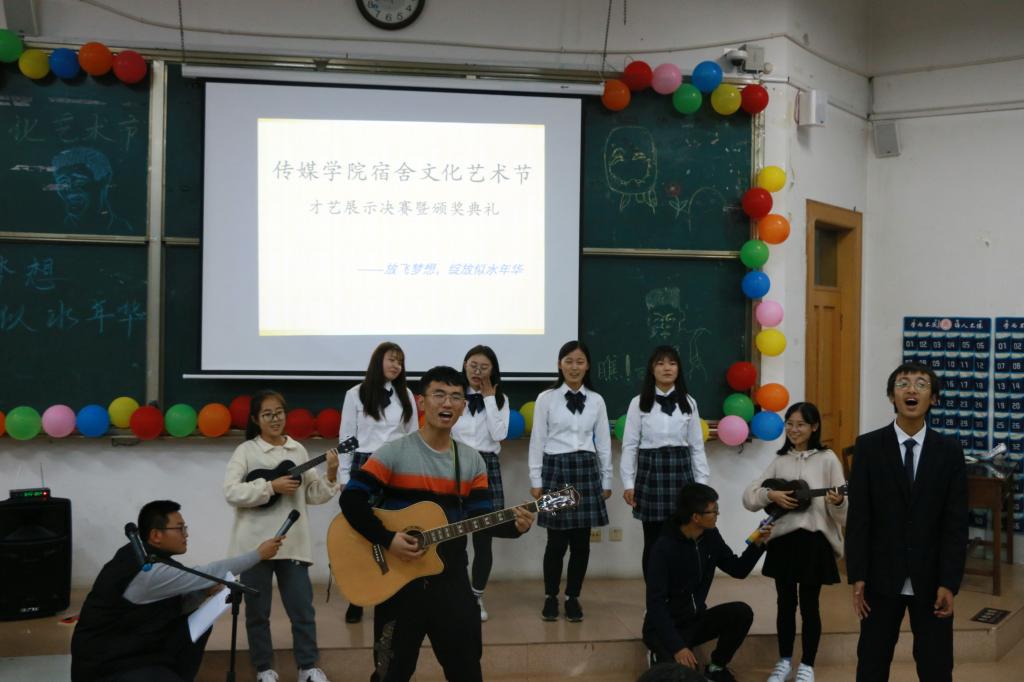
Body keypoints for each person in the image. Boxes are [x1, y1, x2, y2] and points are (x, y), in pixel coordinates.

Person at [339, 365, 535, 681]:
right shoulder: (393, 452)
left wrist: (515, 526)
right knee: (391, 673)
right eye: (439, 395)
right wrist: (387, 539)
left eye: (456, 397)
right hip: (398, 583)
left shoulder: (471, 460)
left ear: (462, 406)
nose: (447, 403)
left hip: (451, 581)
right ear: (421, 401)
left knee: (467, 671)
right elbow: (351, 500)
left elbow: (479, 518)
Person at [846, 362, 968, 682]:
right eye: (903, 384)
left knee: (936, 666)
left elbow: (955, 523)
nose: (912, 389)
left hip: (932, 578)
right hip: (880, 575)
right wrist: (858, 574)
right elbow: (859, 518)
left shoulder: (949, 450)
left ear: (934, 398)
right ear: (891, 396)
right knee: (872, 662)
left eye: (921, 384)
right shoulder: (868, 446)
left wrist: (949, 581)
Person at [70, 500, 284, 682]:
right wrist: (258, 554)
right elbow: (210, 572)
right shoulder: (147, 570)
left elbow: (164, 608)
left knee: (195, 627)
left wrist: (203, 594)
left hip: (130, 647)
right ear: (156, 535)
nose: (186, 534)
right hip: (104, 665)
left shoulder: (147, 556)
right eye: (180, 528)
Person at [224, 389, 340, 682]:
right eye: (268, 414)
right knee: (257, 613)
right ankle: (264, 669)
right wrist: (270, 487)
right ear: (255, 419)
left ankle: (308, 668)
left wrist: (330, 474)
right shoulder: (246, 451)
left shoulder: (298, 450)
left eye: (279, 413)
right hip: (255, 545)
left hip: (293, 542)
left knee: (302, 610)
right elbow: (231, 492)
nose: (275, 419)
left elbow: (312, 494)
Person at [742, 403, 847, 682]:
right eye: (789, 423)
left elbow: (845, 513)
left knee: (810, 605)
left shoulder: (828, 459)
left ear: (814, 427)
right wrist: (770, 495)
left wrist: (839, 502)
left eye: (800, 424)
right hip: (783, 541)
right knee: (785, 603)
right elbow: (749, 497)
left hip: (814, 541)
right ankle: (784, 661)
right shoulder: (780, 460)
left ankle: (807, 665)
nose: (793, 429)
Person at [643, 483, 770, 682]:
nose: (717, 515)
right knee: (681, 677)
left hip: (693, 620)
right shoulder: (663, 547)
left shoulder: (710, 536)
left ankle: (716, 667)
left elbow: (738, 569)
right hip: (664, 628)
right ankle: (658, 655)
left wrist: (758, 543)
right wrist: (678, 647)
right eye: (713, 511)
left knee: (741, 612)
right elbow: (655, 604)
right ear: (696, 517)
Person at [528, 339, 612, 623]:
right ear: (559, 364)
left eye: (580, 361)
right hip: (556, 469)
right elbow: (537, 440)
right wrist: (536, 478)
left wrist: (607, 479)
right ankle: (551, 597)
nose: (574, 367)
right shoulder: (546, 398)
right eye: (569, 361)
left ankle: (572, 597)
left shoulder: (597, 400)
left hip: (586, 469)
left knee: (581, 543)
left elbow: (603, 442)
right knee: (555, 542)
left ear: (587, 366)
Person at [338, 341, 418, 623]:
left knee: (394, 527)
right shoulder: (355, 394)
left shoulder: (406, 394)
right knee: (361, 532)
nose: (396, 365)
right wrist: (344, 476)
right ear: (377, 361)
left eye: (400, 361)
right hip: (365, 465)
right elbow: (347, 438)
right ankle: (357, 597)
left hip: (397, 465)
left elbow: (413, 435)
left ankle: (392, 590)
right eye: (391, 359)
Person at [621, 345, 710, 576]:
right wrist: (628, 483)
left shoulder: (689, 402)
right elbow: (629, 446)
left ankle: (678, 592)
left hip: (681, 472)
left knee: (682, 537)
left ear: (679, 369)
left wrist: (702, 484)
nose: (666, 368)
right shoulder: (638, 402)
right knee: (654, 540)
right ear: (652, 369)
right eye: (660, 363)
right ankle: (654, 593)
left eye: (672, 363)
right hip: (651, 472)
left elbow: (696, 447)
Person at [450, 345, 510, 622]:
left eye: (484, 367)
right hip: (455, 462)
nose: (477, 371)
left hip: (487, 466)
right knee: (454, 536)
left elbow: (499, 434)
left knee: (484, 538)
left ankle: (476, 596)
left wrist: (489, 398)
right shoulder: (454, 395)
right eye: (473, 365)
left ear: (492, 370)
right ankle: (456, 593)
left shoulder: (500, 399)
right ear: (464, 365)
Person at [52, 147, 134, 233]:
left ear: (104, 180)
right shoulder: (55, 229)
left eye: (79, 182)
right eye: (63, 183)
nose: (70, 189)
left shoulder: (123, 229)